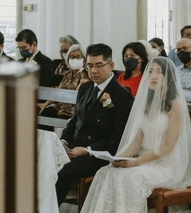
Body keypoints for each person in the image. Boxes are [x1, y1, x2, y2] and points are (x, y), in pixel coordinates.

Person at [68, 57, 191, 213]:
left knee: (129, 178)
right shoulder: (146, 102)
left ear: (168, 77)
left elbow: (168, 146)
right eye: (150, 71)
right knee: (106, 172)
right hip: (146, 160)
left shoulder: (175, 105)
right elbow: (137, 142)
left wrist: (135, 162)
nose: (152, 76)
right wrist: (117, 158)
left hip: (166, 164)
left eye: (158, 72)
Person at [56, 44, 134, 204]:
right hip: (73, 149)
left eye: (99, 65)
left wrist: (86, 150)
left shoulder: (122, 95)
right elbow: (74, 121)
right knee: (42, 165)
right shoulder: (85, 88)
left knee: (61, 172)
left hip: (98, 155)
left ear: (111, 65)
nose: (93, 71)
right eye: (90, 66)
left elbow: (117, 137)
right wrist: (63, 141)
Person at [39, 44, 89, 120]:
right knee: (43, 113)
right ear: (68, 59)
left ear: (84, 59)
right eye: (72, 57)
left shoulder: (85, 74)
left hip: (72, 112)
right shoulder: (68, 74)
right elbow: (58, 92)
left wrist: (81, 83)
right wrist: (45, 104)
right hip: (59, 108)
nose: (75, 59)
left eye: (78, 57)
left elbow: (77, 98)